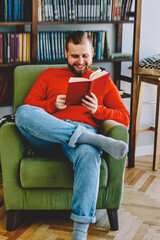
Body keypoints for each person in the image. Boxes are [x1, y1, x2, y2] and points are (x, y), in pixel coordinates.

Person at [15, 31, 130, 240]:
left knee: (88, 153)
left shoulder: (102, 81)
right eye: (75, 56)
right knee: (22, 113)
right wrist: (51, 105)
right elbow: (27, 109)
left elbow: (124, 117)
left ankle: (79, 233)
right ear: (66, 54)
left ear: (92, 53)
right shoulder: (49, 75)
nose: (80, 61)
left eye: (85, 56)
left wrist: (98, 111)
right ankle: (90, 138)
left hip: (79, 144)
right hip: (47, 136)